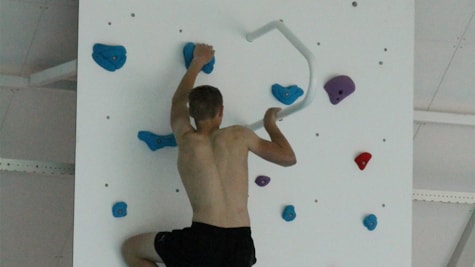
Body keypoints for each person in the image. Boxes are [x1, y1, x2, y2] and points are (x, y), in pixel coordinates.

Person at [122, 43, 296, 267]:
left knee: (131, 250)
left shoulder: (185, 137)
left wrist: (197, 62)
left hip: (203, 241)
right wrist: (270, 123)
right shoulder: (240, 136)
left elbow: (177, 102)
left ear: (192, 114)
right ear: (221, 111)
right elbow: (288, 158)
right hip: (240, 242)